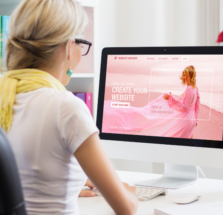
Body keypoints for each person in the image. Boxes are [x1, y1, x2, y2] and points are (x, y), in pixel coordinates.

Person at [0, 0, 138, 215]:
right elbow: (126, 208)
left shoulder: (4, 95)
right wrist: (129, 193)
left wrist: (70, 183)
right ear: (67, 47)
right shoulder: (65, 106)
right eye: (81, 44)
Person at [102, 65, 200, 139]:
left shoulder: (189, 89)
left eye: (186, 75)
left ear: (191, 76)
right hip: (190, 120)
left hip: (185, 121)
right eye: (183, 75)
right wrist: (195, 119)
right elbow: (197, 105)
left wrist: (171, 99)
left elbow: (185, 107)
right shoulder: (195, 88)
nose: (183, 77)